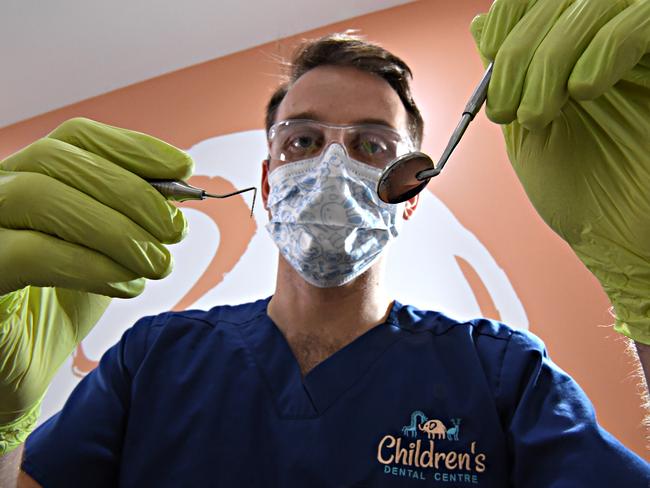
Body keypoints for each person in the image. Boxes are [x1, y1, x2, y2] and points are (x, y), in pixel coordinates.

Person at [1, 1, 649, 486]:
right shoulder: (155, 359)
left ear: (412, 190)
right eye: (303, 142)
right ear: (267, 179)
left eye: (371, 145)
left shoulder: (502, 377)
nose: (333, 167)